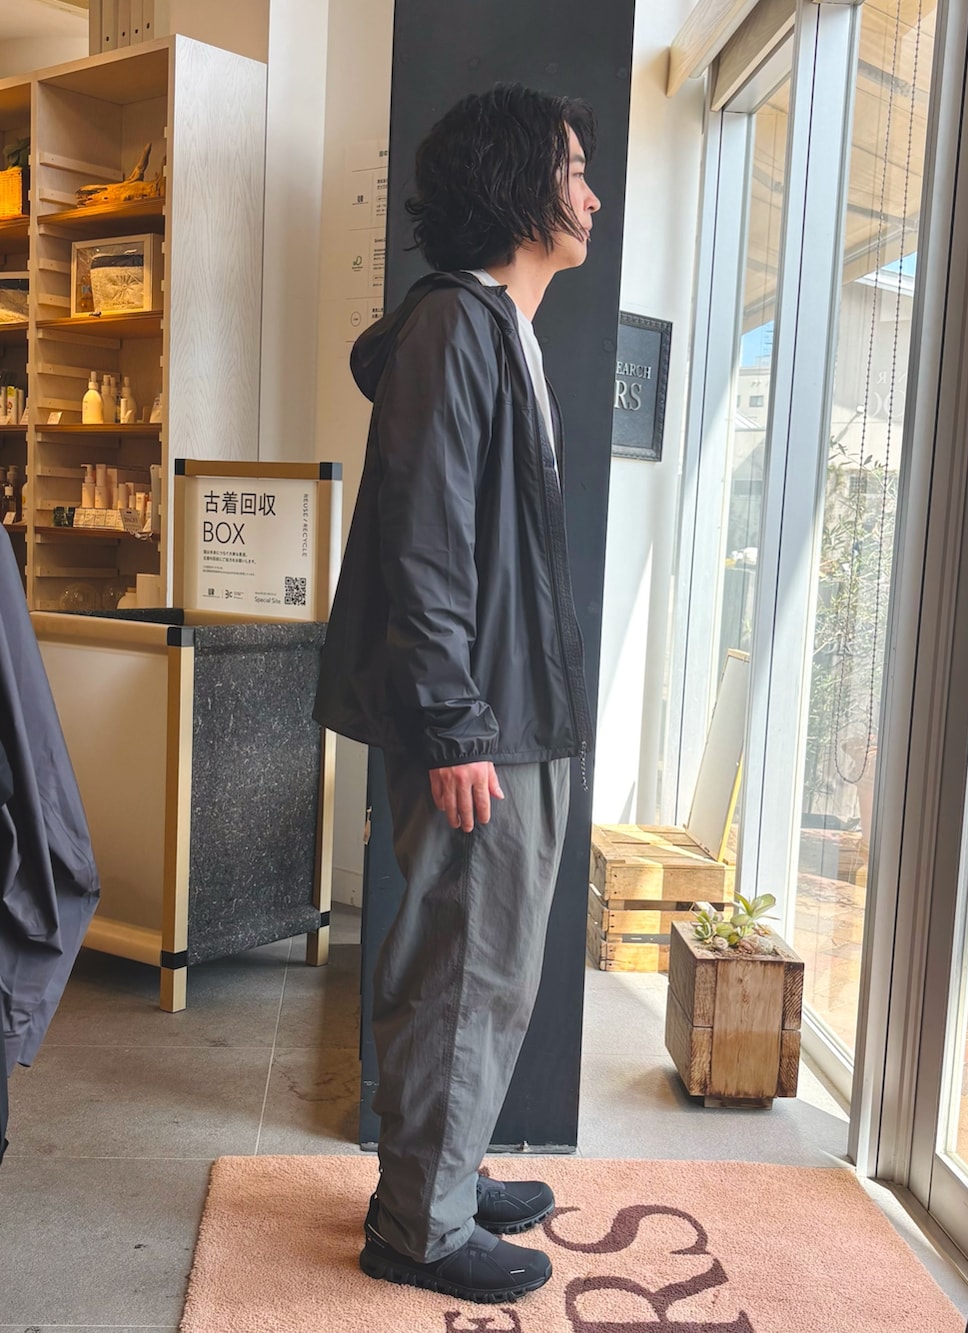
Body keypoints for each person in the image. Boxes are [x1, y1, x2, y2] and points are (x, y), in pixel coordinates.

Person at [314, 83, 600, 1304]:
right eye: (573, 171)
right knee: (460, 965)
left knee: (490, 961)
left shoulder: (497, 330)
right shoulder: (454, 327)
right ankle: (416, 1229)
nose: (591, 196)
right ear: (520, 186)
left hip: (506, 709)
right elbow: (425, 542)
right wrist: (451, 723)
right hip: (476, 718)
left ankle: (445, 1168)